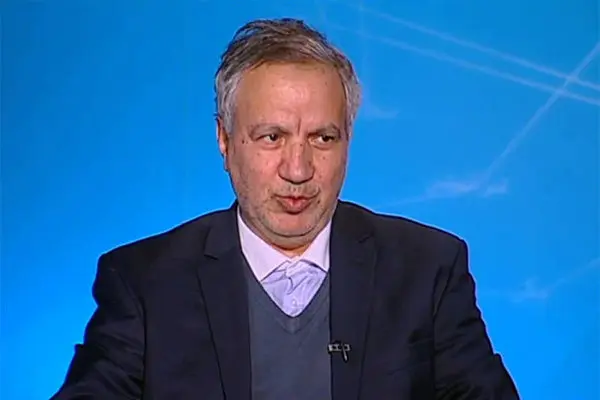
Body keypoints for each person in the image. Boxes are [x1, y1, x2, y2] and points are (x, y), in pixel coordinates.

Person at [52, 18, 520, 399]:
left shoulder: (428, 268)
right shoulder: (143, 282)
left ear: (348, 142)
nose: (298, 169)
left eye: (323, 138)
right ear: (225, 140)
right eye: (272, 137)